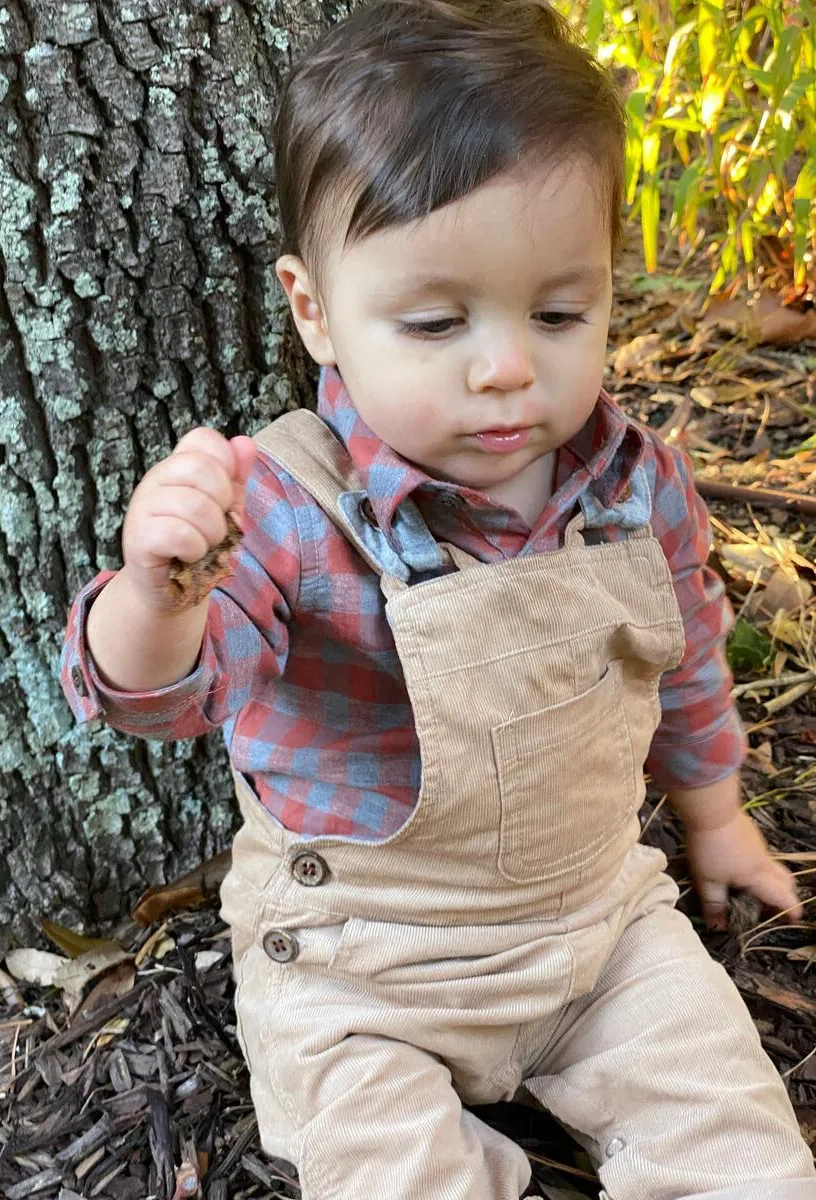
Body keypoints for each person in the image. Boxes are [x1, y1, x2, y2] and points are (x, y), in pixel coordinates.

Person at [61, 1, 816, 1195]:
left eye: (561, 313)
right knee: (384, 1169)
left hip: (597, 930)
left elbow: (686, 657)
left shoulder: (635, 486)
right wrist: (158, 589)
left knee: (744, 1149)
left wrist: (714, 816)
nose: (507, 365)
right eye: (435, 321)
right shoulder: (289, 506)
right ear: (315, 310)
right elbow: (170, 698)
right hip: (360, 969)